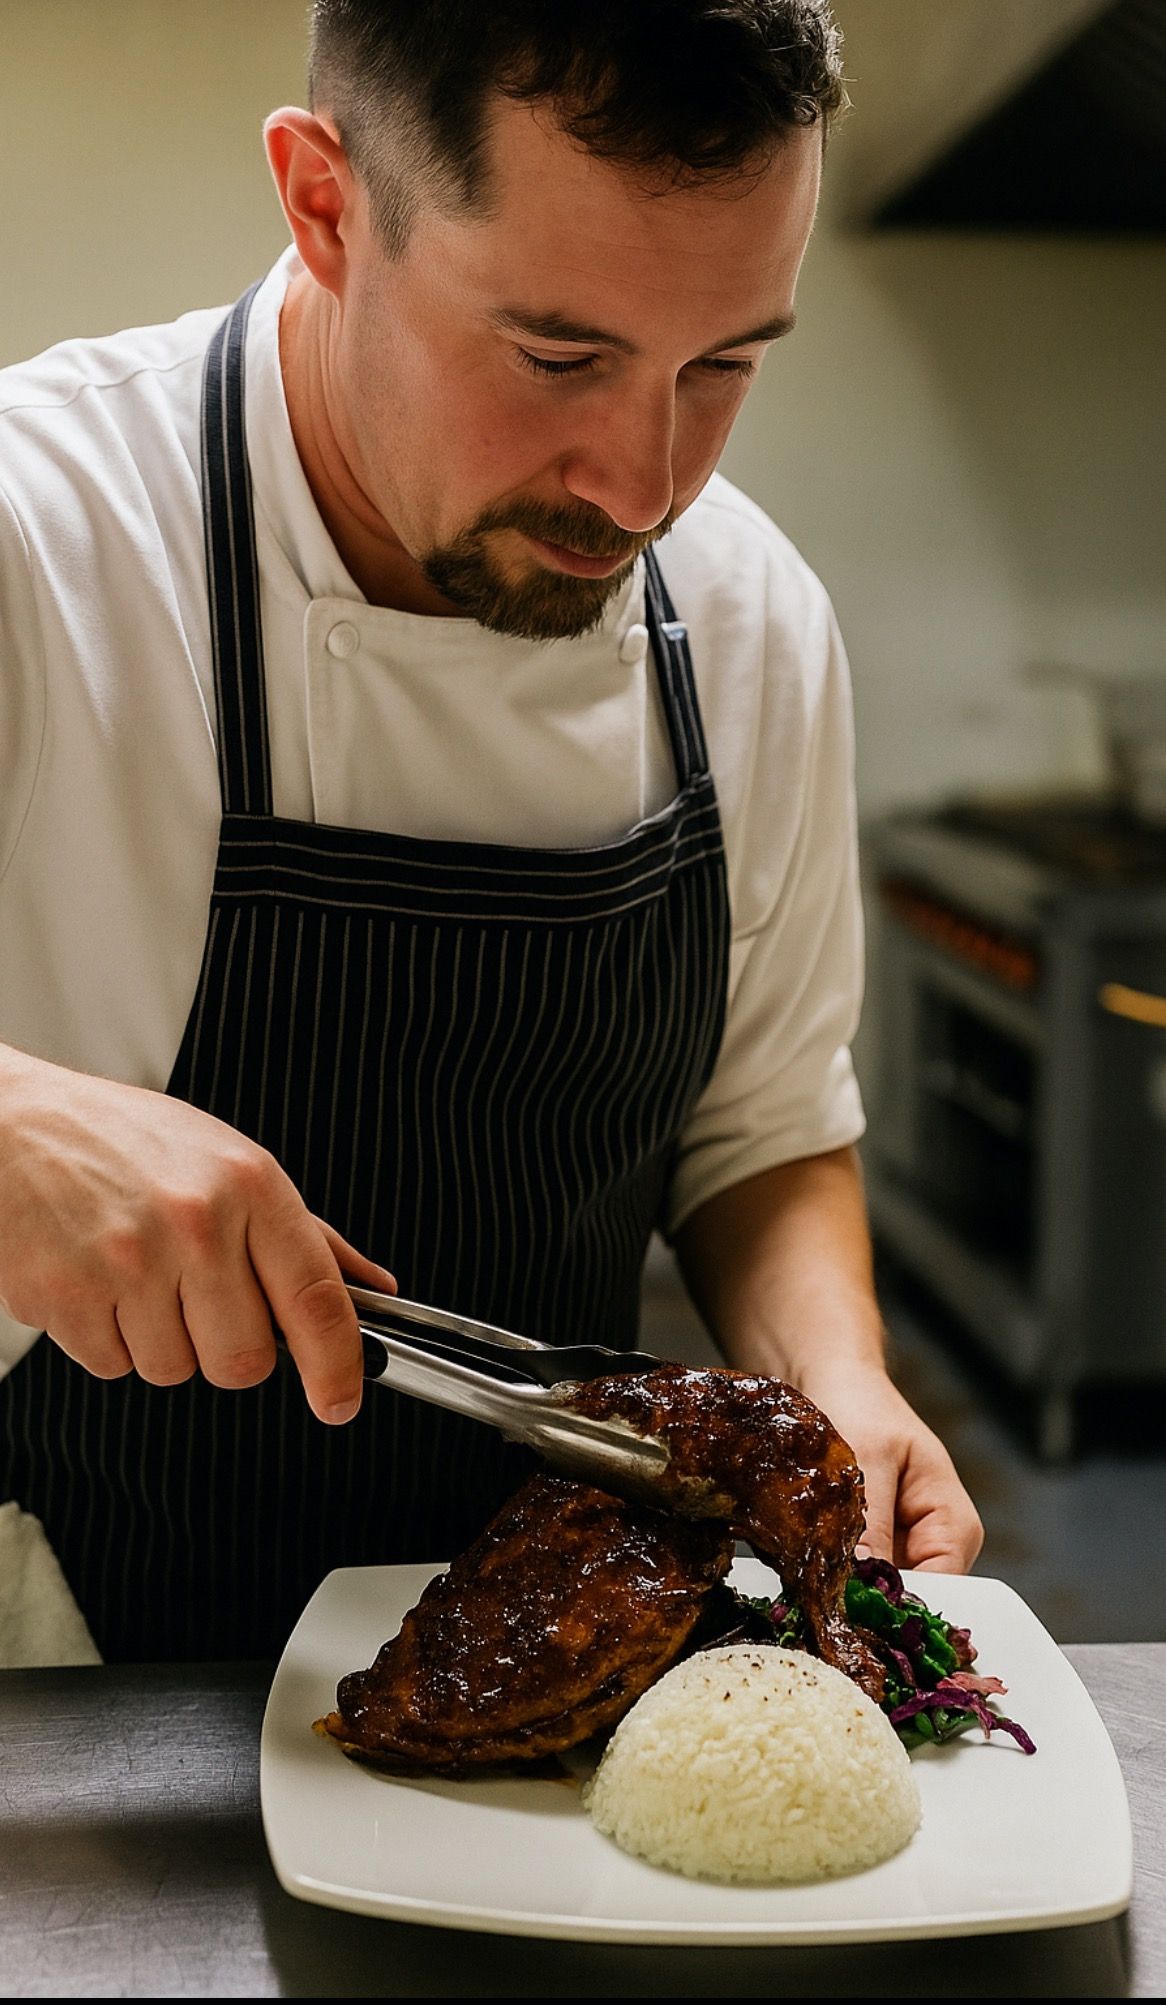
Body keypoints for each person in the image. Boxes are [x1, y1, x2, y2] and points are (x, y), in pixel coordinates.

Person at [0, 0, 982, 1660]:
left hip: (555, 1660)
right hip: (72, 1697)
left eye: (725, 362)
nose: (643, 485)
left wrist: (837, 1381)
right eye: (557, 357)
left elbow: (757, 1125)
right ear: (324, 204)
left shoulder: (744, 614)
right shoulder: (47, 536)